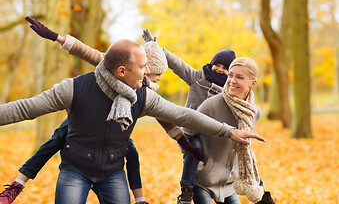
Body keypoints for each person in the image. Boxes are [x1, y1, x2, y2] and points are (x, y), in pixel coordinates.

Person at [0, 30, 265, 203]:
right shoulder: (74, 88)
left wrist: (228, 131)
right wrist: (61, 39)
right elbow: (25, 108)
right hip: (75, 169)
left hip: (113, 172)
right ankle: (19, 182)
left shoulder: (143, 96)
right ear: (122, 71)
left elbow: (184, 115)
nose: (148, 73)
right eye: (143, 67)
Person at [141, 30, 274, 204]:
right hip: (192, 133)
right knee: (194, 145)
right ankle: (186, 189)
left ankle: (260, 191)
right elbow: (177, 64)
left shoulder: (244, 107)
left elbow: (239, 148)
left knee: (244, 148)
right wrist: (157, 49)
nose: (219, 70)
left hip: (223, 166)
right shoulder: (199, 80)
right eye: (216, 66)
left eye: (225, 69)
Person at [183, 57, 275, 204]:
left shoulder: (254, 112)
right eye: (230, 75)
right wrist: (200, 165)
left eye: (239, 77)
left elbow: (242, 149)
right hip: (203, 182)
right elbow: (186, 134)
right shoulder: (211, 105)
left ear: (253, 83)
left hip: (228, 184)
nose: (232, 81)